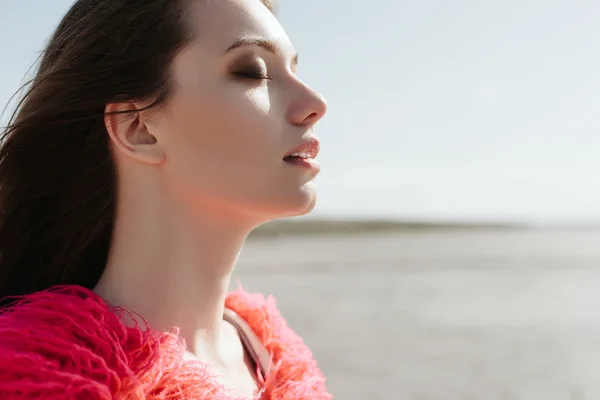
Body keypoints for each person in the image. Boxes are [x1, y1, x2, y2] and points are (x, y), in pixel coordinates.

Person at [0, 0, 330, 398]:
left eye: (294, 70)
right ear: (138, 128)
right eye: (252, 71)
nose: (315, 104)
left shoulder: (275, 356)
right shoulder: (41, 379)